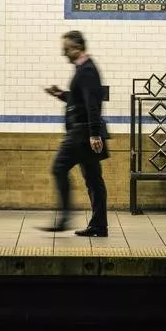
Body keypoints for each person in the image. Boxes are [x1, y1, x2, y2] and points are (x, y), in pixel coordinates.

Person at [40, 30, 109, 237]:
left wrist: (94, 134)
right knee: (94, 180)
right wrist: (61, 94)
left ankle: (65, 217)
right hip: (86, 132)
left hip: (81, 134)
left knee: (58, 168)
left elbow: (92, 104)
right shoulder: (85, 69)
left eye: (66, 49)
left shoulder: (87, 70)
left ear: (77, 47)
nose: (64, 53)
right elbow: (80, 99)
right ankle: (99, 226)